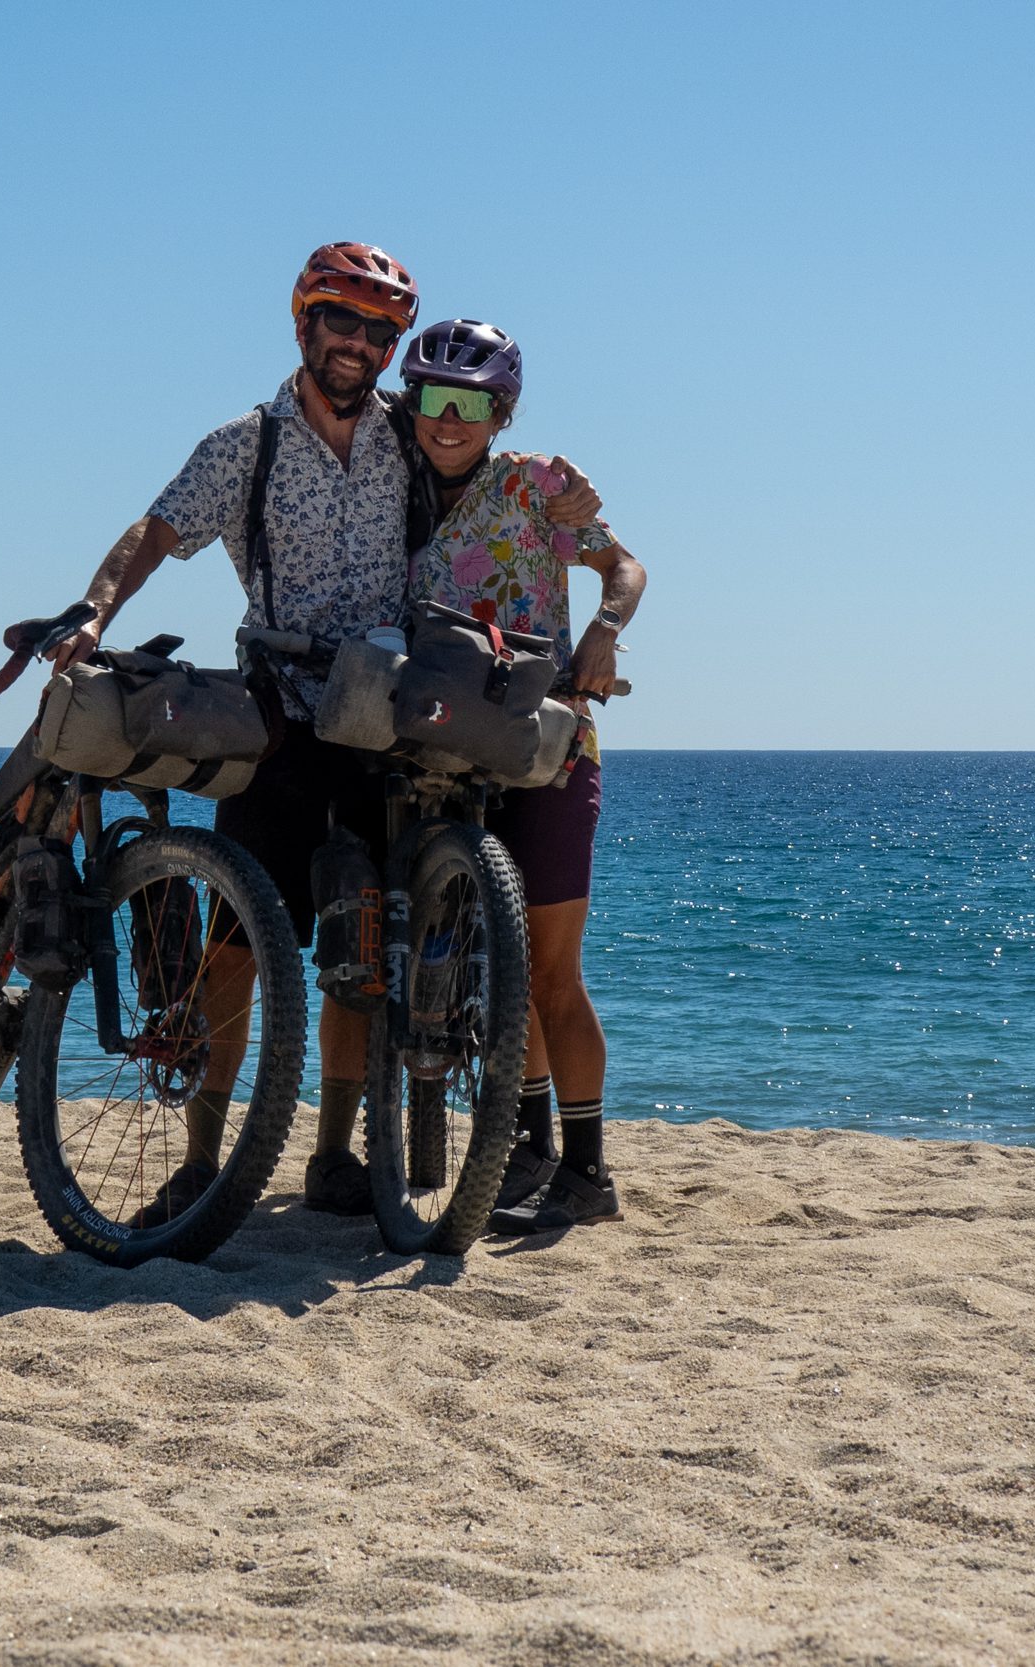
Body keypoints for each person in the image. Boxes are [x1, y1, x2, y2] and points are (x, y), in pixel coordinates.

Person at [52, 248, 603, 1219]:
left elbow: (490, 470)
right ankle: (202, 1157)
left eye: (379, 331)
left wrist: (570, 495)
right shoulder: (246, 444)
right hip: (280, 720)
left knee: (363, 949)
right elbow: (156, 532)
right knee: (234, 948)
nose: (359, 344)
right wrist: (94, 612)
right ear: (303, 322)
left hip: (389, 724)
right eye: (341, 321)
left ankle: (336, 1155)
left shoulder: (406, 432)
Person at [398, 318, 647, 1233]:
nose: (449, 419)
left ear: (501, 413)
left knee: (550, 971)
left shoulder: (534, 484)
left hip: (549, 750)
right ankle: (528, 1149)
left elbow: (625, 566)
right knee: (497, 972)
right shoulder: (395, 492)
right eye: (434, 398)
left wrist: (604, 631)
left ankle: (586, 1170)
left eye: (471, 404)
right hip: (444, 761)